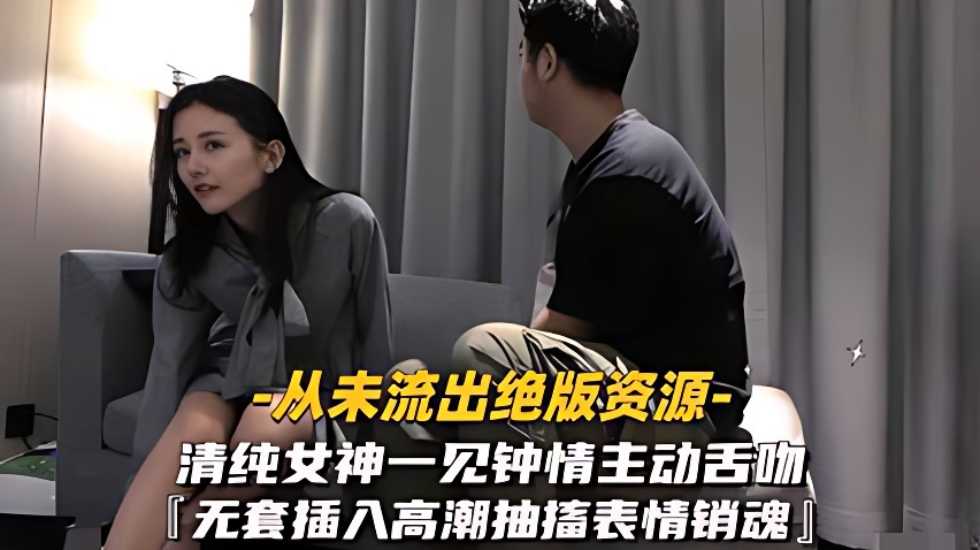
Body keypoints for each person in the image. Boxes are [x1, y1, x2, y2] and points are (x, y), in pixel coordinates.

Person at [391, 0, 751, 472]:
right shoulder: (609, 161)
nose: (521, 66)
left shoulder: (628, 173)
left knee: (483, 353)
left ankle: (525, 511)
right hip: (632, 377)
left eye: (523, 52)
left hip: (683, 410)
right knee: (406, 387)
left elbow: (560, 331)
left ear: (546, 62)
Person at [105, 76, 392, 550]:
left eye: (213, 145)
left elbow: (373, 335)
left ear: (271, 155)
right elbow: (170, 366)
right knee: (197, 417)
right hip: (225, 377)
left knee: (270, 415)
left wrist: (375, 445)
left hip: (313, 385)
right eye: (181, 152)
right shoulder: (188, 256)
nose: (194, 167)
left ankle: (190, 527)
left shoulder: (342, 221)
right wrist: (143, 476)